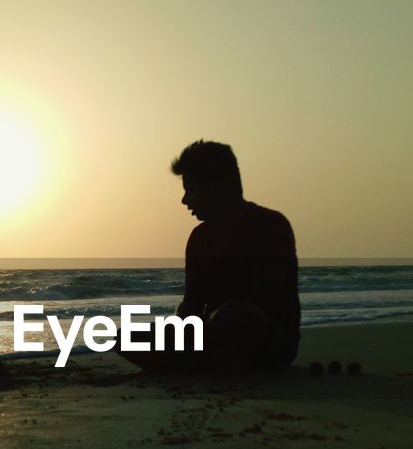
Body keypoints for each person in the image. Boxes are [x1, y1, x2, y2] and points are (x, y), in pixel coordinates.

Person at [128, 140, 299, 372]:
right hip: (209, 332)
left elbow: (262, 303)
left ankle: (207, 362)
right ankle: (205, 361)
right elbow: (192, 305)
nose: (185, 200)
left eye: (190, 189)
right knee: (125, 337)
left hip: (265, 338)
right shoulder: (199, 239)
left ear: (214, 188)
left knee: (234, 316)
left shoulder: (269, 226)